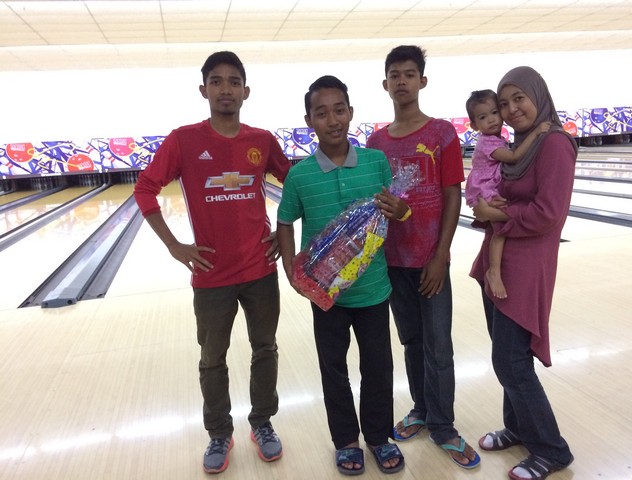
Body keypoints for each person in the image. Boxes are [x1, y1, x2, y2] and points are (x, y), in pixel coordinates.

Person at [133, 51, 290, 474]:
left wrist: (284, 233)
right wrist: (174, 245)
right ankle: (219, 432)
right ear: (203, 90)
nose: (226, 89)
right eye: (217, 81)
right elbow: (145, 188)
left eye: (234, 81)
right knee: (212, 359)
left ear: (246, 91)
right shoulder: (183, 140)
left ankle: (262, 422)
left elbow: (295, 182)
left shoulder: (262, 141)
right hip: (210, 276)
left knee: (265, 348)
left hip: (260, 271)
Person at [277, 75, 405, 476]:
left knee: (378, 368)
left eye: (339, 110)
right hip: (325, 295)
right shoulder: (299, 176)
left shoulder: (375, 162)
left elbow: (398, 210)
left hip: (373, 289)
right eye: (322, 113)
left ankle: (379, 437)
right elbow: (284, 222)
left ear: (350, 113)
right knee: (333, 369)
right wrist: (291, 269)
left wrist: (401, 211)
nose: (332, 120)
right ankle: (347, 441)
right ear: (309, 120)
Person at [366, 45, 480, 470]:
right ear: (385, 84)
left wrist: (441, 254)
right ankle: (421, 408)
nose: (402, 81)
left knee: (439, 347)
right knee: (411, 342)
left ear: (422, 81)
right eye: (395, 75)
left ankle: (444, 426)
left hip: (430, 260)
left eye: (409, 74)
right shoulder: (376, 142)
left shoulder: (442, 134)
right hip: (393, 262)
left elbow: (453, 195)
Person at [470, 66, 576, 480]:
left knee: (510, 361)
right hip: (499, 260)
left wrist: (497, 213)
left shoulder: (554, 144)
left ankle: (552, 449)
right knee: (507, 355)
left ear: (538, 96)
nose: (511, 109)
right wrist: (487, 210)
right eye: (504, 103)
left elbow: (548, 213)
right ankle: (517, 427)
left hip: (525, 266)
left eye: (519, 98)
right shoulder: (516, 145)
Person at [464, 89, 551, 299]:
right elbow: (513, 157)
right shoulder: (487, 142)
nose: (491, 119)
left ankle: (491, 269)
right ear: (474, 125)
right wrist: (536, 133)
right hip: (485, 189)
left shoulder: (495, 138)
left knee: (498, 227)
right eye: (483, 117)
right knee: (500, 229)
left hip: (486, 186)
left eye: (495, 112)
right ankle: (493, 271)